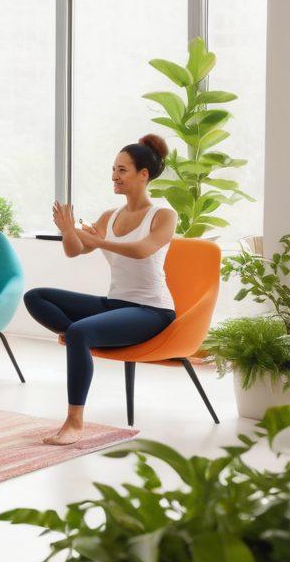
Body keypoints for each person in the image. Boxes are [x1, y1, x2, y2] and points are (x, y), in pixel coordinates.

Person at [24, 134, 178, 446]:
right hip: (115, 303)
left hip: (152, 310)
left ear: (143, 175)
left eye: (122, 170)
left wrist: (98, 240)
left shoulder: (163, 215)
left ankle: (74, 422)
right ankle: (75, 336)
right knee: (36, 297)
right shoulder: (110, 216)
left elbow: (142, 250)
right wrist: (69, 231)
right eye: (113, 169)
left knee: (80, 332)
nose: (114, 176)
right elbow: (74, 251)